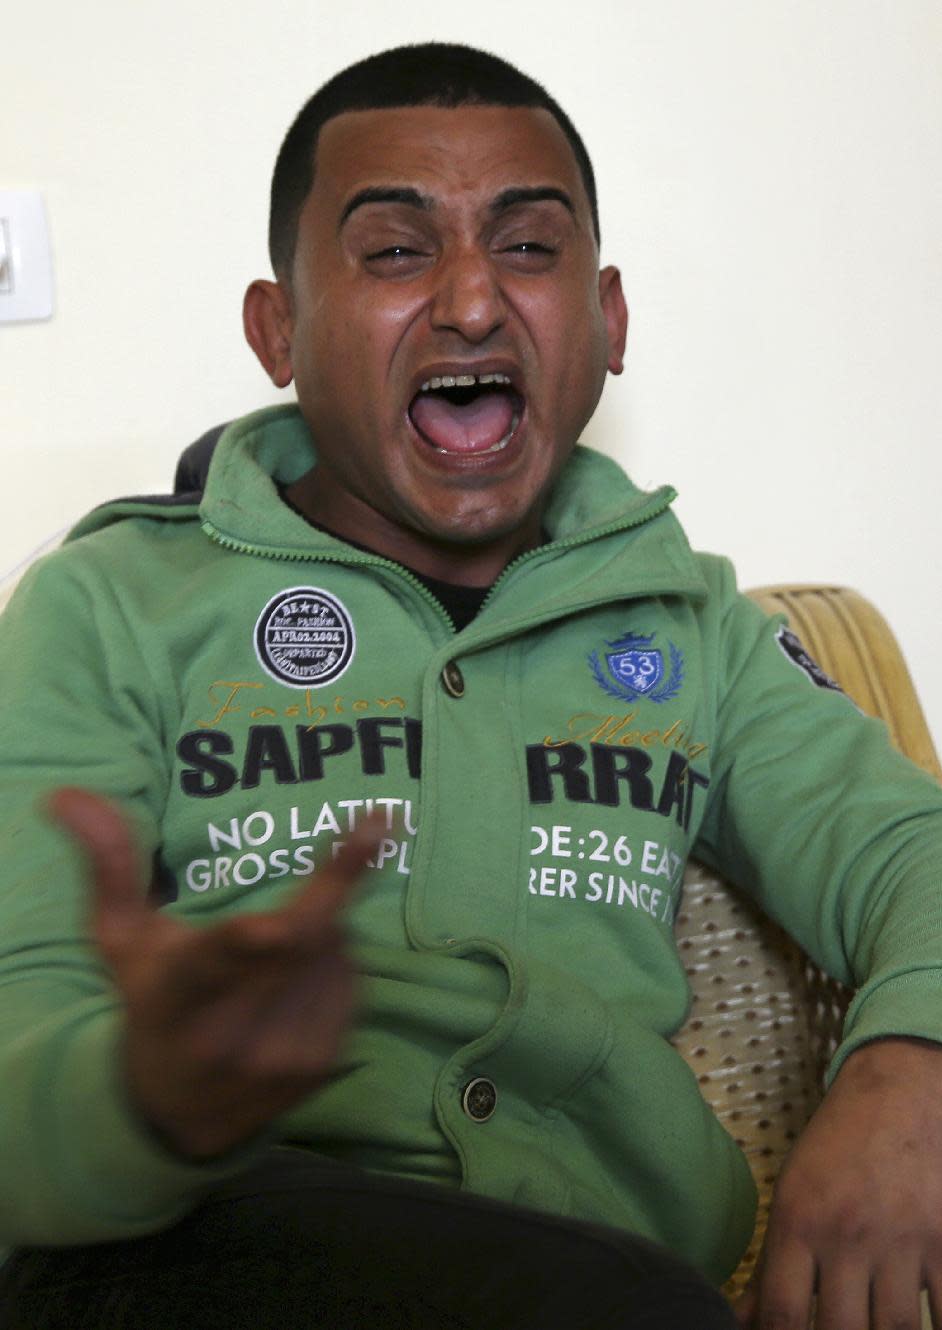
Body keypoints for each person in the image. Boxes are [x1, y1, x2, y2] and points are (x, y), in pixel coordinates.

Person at [1, 41, 941, 1330]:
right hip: (193, 1248)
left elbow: (913, 858)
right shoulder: (104, 605)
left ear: (607, 320)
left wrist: (910, 1076)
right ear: (278, 330)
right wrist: (146, 1093)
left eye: (528, 247)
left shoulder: (690, 625)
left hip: (603, 1275)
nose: (471, 303)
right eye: (394, 251)